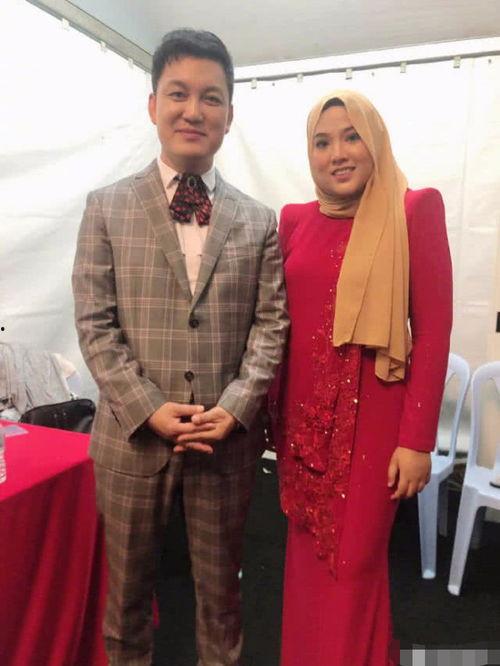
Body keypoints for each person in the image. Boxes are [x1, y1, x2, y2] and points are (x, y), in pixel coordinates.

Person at [72, 29, 289, 666]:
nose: (194, 110)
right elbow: (95, 322)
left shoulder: (258, 220)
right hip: (132, 440)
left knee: (222, 605)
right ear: (153, 105)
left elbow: (271, 325)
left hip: (226, 444)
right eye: (178, 93)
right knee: (125, 605)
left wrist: (236, 407)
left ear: (230, 114)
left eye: (211, 97)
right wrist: (147, 407)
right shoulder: (106, 208)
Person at [271, 89, 453, 666]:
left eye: (352, 137)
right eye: (322, 142)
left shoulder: (413, 210)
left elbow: (434, 331)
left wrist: (416, 441)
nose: (338, 153)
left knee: (353, 567)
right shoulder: (295, 220)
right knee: (305, 563)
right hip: (304, 428)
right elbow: (278, 324)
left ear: (375, 141)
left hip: (373, 431)